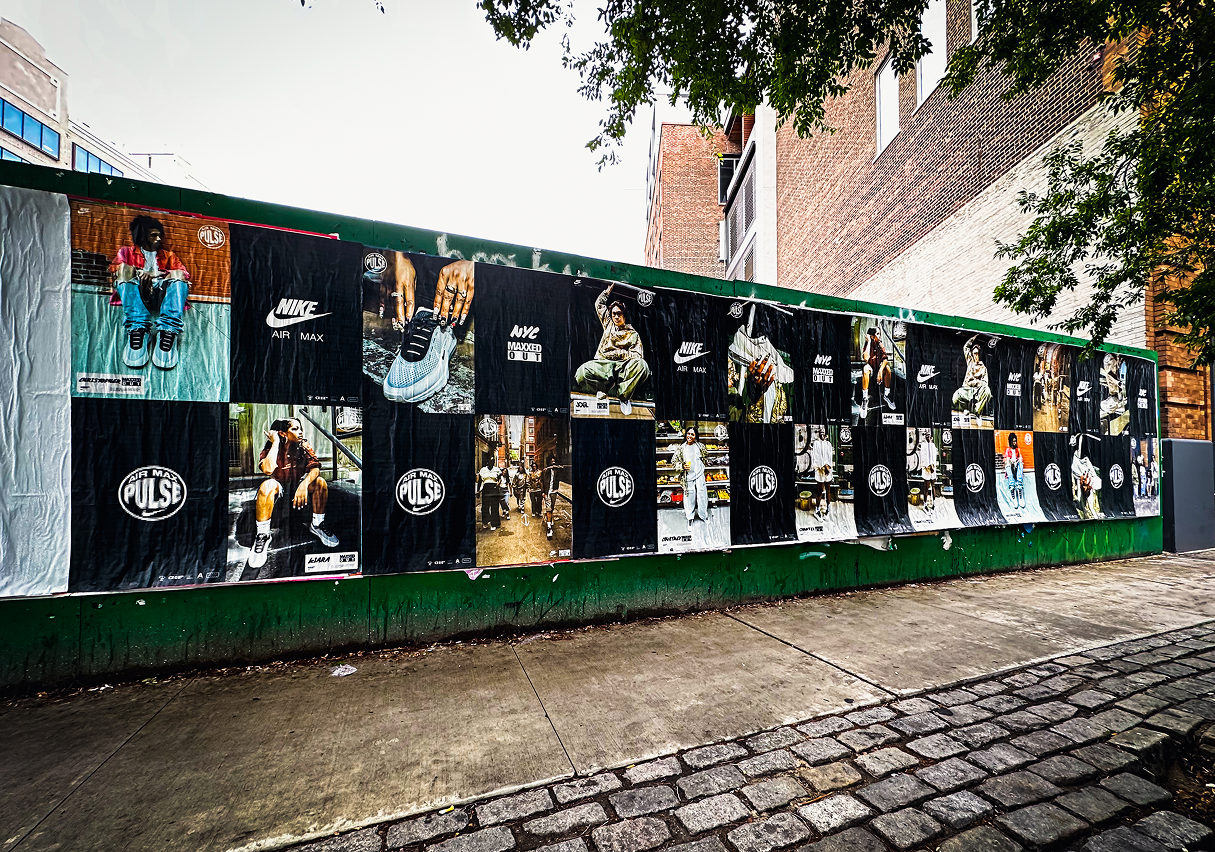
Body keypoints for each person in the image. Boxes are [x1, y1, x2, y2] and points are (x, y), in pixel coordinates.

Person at [246, 418, 338, 569]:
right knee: (267, 485)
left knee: (320, 482)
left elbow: (315, 468)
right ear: (283, 433)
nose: (300, 431)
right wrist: (275, 442)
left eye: (300, 428)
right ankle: (263, 535)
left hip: (298, 490)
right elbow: (268, 470)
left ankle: (317, 525)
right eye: (295, 429)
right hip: (279, 490)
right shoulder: (271, 448)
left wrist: (304, 484)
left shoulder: (304, 445)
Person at [109, 214, 190, 370]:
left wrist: (158, 275)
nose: (158, 238)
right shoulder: (127, 252)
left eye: (160, 235)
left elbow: (184, 275)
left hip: (162, 296)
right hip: (136, 294)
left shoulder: (169, 256)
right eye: (154, 235)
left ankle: (168, 330)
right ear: (142, 235)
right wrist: (139, 273)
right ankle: (138, 328)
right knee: (125, 269)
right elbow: (115, 270)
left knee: (178, 274)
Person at [573, 284, 650, 416]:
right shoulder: (608, 324)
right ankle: (604, 388)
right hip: (604, 364)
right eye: (614, 314)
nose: (616, 317)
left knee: (643, 366)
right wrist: (606, 292)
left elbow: (637, 356)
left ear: (624, 315)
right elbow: (599, 305)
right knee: (581, 372)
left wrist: (617, 354)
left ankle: (624, 395)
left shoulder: (632, 334)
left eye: (619, 314)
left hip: (622, 366)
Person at [673, 426, 710, 528]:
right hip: (688, 477)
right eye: (688, 433)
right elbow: (674, 462)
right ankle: (690, 517)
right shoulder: (681, 448)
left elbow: (705, 456)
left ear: (695, 436)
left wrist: (702, 466)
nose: (689, 436)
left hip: (699, 475)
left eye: (692, 434)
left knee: (702, 496)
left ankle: (704, 516)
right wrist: (682, 466)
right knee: (689, 497)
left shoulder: (700, 446)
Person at [953, 337, 992, 423]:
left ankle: (977, 413)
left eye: (977, 354)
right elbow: (965, 347)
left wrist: (974, 383)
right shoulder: (970, 362)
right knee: (956, 396)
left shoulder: (983, 368)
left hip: (977, 390)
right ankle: (967, 409)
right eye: (974, 353)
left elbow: (985, 383)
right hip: (966, 389)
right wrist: (974, 337)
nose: (975, 356)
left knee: (987, 391)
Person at [861, 326, 895, 414]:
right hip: (871, 367)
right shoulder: (867, 344)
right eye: (877, 334)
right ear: (872, 336)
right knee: (865, 369)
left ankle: (886, 395)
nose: (879, 336)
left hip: (878, 367)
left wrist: (880, 371)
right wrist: (868, 342)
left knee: (887, 368)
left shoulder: (880, 344)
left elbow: (885, 359)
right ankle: (865, 398)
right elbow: (866, 358)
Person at [1070, 434, 1103, 519]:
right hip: (1083, 485)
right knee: (1084, 501)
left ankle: (1094, 514)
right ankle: (1089, 514)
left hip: (1089, 484)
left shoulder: (1087, 462)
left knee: (1090, 502)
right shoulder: (1076, 463)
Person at [909, 429, 938, 513]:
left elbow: (934, 456)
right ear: (925, 437)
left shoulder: (932, 445)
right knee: (926, 488)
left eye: (929, 436)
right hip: (926, 470)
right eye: (927, 436)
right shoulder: (923, 446)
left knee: (933, 487)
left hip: (933, 469)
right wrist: (927, 466)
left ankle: (934, 504)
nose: (928, 437)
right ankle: (925, 505)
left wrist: (933, 466)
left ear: (931, 437)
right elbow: (923, 457)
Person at [809, 427, 835, 519]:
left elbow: (829, 457)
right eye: (820, 432)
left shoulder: (828, 444)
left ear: (826, 434)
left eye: (823, 432)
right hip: (819, 471)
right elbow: (816, 457)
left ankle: (828, 509)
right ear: (818, 433)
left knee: (828, 490)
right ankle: (817, 510)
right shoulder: (816, 444)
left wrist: (828, 467)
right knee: (819, 491)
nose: (822, 434)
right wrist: (822, 467)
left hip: (828, 471)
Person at [540, 454, 561, 539]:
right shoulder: (545, 471)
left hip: (554, 492)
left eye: (554, 461)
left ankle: (549, 519)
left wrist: (556, 489)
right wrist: (543, 492)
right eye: (552, 461)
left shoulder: (556, 470)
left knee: (551, 508)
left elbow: (563, 468)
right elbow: (541, 482)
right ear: (548, 462)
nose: (553, 463)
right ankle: (549, 528)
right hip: (547, 492)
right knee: (549, 509)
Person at [1004, 432, 1026, 510]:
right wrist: (1010, 460)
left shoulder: (1017, 450)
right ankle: (1013, 491)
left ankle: (1019, 491)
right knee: (1007, 464)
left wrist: (1018, 459)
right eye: (1013, 441)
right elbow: (1006, 459)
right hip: (1011, 468)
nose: (1015, 442)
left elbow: (1021, 458)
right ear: (1010, 441)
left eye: (1015, 441)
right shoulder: (1008, 450)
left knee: (1020, 463)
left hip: (1017, 468)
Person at [478, 457, 501, 530]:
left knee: (494, 506)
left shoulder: (497, 470)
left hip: (494, 488)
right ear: (487, 462)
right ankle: (485, 522)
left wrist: (498, 485)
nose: (491, 463)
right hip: (486, 488)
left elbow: (500, 479)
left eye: (492, 462)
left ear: (494, 463)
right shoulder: (483, 470)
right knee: (485, 506)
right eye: (489, 461)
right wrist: (478, 491)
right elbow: (480, 481)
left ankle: (494, 523)